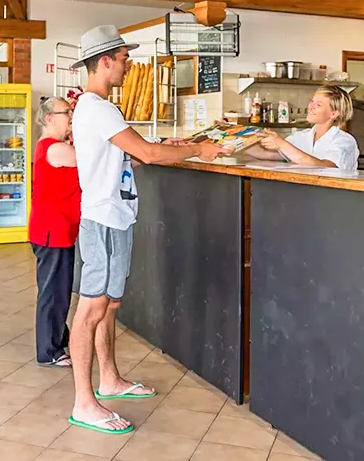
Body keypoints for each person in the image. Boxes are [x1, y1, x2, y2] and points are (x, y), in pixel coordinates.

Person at [68, 25, 227, 435]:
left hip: (117, 216)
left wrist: (178, 142)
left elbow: (132, 157)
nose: (128, 63)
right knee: (90, 309)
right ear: (104, 61)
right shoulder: (98, 108)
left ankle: (109, 379)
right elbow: (148, 154)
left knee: (110, 306)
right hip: (103, 218)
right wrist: (198, 149)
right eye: (123, 57)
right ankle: (84, 403)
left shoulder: (102, 109)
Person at [29, 96, 80, 368]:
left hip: (60, 229)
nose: (71, 117)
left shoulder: (55, 146)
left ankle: (58, 342)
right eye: (66, 112)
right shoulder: (54, 148)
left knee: (59, 291)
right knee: (53, 293)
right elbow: (91, 160)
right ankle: (49, 350)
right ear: (49, 118)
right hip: (52, 230)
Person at [247, 85, 359, 171]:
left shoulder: (344, 141)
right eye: (312, 101)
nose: (311, 107)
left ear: (334, 114)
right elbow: (267, 154)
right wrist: (236, 143)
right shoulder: (301, 136)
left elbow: (327, 168)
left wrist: (282, 144)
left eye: (318, 105)